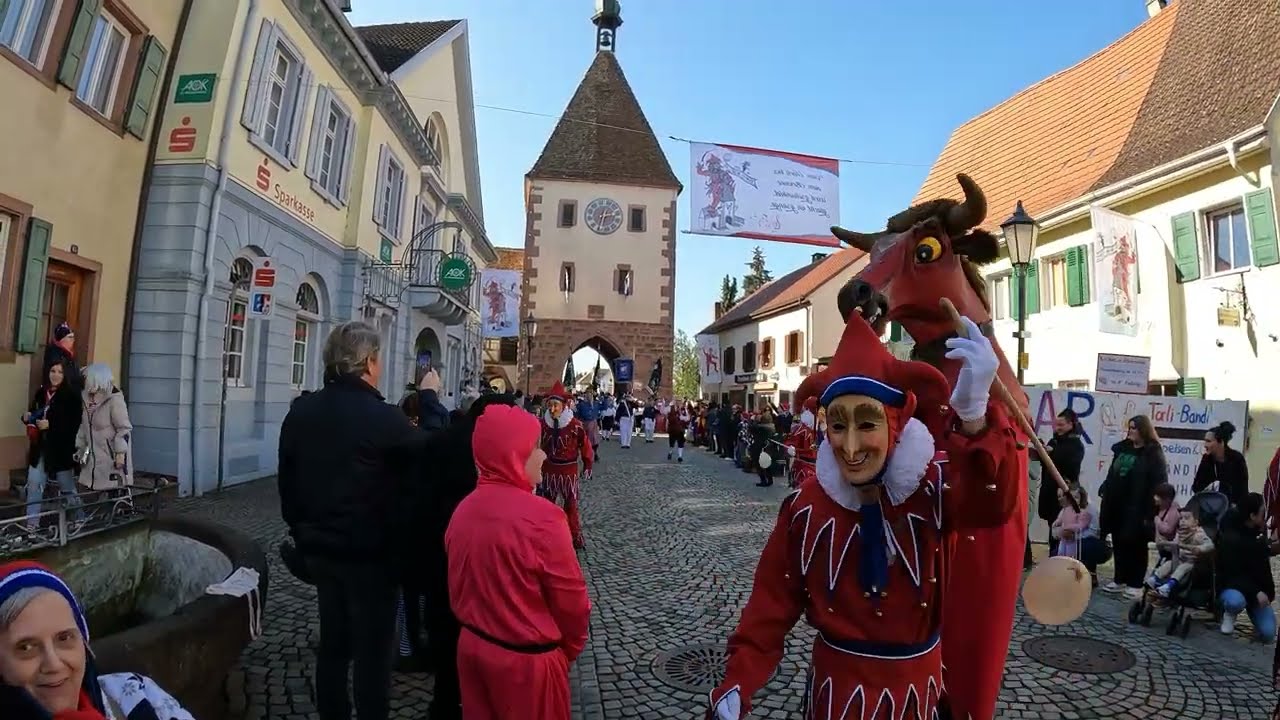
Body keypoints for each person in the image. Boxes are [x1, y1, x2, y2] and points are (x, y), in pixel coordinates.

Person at [708, 310, 1018, 720]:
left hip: (918, 700)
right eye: (837, 427)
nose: (850, 448)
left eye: (867, 423)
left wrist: (976, 419)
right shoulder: (805, 508)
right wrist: (738, 682)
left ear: (897, 423)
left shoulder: (935, 488)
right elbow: (770, 606)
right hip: (836, 700)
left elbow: (993, 504)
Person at [277, 321, 449, 720]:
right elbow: (435, 452)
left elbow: (288, 482)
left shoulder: (302, 411)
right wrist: (430, 400)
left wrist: (302, 531)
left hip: (320, 549)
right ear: (369, 361)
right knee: (372, 655)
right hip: (371, 557)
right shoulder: (381, 417)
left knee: (334, 648)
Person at [446, 404, 591, 720]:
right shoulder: (545, 518)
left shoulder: (463, 510)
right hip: (527, 665)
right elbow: (573, 605)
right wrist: (564, 652)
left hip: (472, 650)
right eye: (534, 448)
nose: (542, 456)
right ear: (513, 455)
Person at [418, 393, 519, 720]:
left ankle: (445, 703)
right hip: (483, 558)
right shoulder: (498, 450)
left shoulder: (440, 441)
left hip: (439, 552)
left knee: (445, 632)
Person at [0, 561, 194, 720]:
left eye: (64, 638)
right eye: (25, 647)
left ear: (84, 644)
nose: (54, 664)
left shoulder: (135, 694)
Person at [1099, 415, 1167, 599]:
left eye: (1134, 428)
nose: (1130, 431)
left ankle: (1135, 583)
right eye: (1129, 428)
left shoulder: (1152, 453)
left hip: (1139, 504)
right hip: (1117, 503)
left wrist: (1153, 507)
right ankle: (1119, 579)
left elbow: (1158, 480)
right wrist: (1106, 486)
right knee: (1119, 541)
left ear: (1143, 430)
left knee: (1136, 544)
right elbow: (1113, 472)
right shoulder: (1122, 449)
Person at [23, 360, 83, 529]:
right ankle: (31, 525)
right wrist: (27, 417)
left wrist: (52, 425)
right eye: (52, 370)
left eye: (59, 372)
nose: (55, 375)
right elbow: (34, 413)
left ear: (66, 375)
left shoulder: (71, 396)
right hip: (40, 448)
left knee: (67, 488)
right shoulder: (41, 393)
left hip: (61, 451)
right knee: (34, 485)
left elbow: (74, 425)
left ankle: (79, 517)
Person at [538, 381, 593, 550]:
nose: (553, 409)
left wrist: (588, 464)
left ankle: (575, 537)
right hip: (549, 470)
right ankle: (544, 535)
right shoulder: (542, 424)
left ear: (564, 405)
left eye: (556, 405)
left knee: (571, 505)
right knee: (546, 505)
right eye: (550, 405)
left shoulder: (575, 425)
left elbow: (585, 446)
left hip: (568, 472)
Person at [1217, 492, 1277, 640]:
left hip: (1255, 593)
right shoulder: (1231, 539)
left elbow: (1264, 570)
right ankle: (1229, 613)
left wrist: (1268, 593)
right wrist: (1256, 592)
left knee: (1268, 633)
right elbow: (1233, 575)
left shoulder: (1259, 535)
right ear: (1252, 516)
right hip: (1234, 588)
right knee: (1235, 601)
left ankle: (1255, 615)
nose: (1265, 516)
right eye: (1262, 512)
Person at [75, 364, 133, 492]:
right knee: (89, 495)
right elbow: (84, 426)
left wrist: (120, 453)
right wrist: (80, 447)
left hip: (110, 459)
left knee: (111, 496)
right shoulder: (85, 398)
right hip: (91, 459)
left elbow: (124, 429)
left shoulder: (114, 400)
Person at [1038, 409, 1084, 556]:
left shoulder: (1076, 445)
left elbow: (1070, 467)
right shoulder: (1055, 440)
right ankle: (1053, 559)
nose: (1057, 428)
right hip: (1050, 492)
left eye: (1061, 424)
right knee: (1053, 529)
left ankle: (1060, 561)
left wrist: (1053, 453)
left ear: (1071, 424)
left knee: (1064, 531)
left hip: (1064, 495)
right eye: (1056, 424)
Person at [1146, 505, 1213, 597]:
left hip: (1192, 562)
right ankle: (1155, 578)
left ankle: (1169, 586)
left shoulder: (1198, 534)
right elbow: (1174, 544)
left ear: (1196, 522)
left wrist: (1199, 549)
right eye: (1181, 519)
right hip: (1179, 558)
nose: (1183, 521)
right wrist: (1164, 544)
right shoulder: (1180, 533)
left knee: (1182, 568)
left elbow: (1210, 545)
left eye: (1186, 518)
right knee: (1168, 564)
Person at [1192, 421, 1248, 506]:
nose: (1205, 445)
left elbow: (1242, 489)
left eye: (1209, 441)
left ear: (1221, 442)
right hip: (1210, 507)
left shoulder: (1237, 459)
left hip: (1232, 507)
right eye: (1205, 441)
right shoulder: (1207, 459)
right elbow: (1196, 487)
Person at [782, 397, 819, 489]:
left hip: (821, 468)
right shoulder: (801, 430)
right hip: (804, 466)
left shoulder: (825, 430)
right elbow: (790, 442)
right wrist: (789, 448)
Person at [42, 323, 80, 391]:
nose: (73, 340)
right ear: (62, 339)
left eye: (73, 337)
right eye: (70, 337)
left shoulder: (68, 354)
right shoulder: (55, 355)